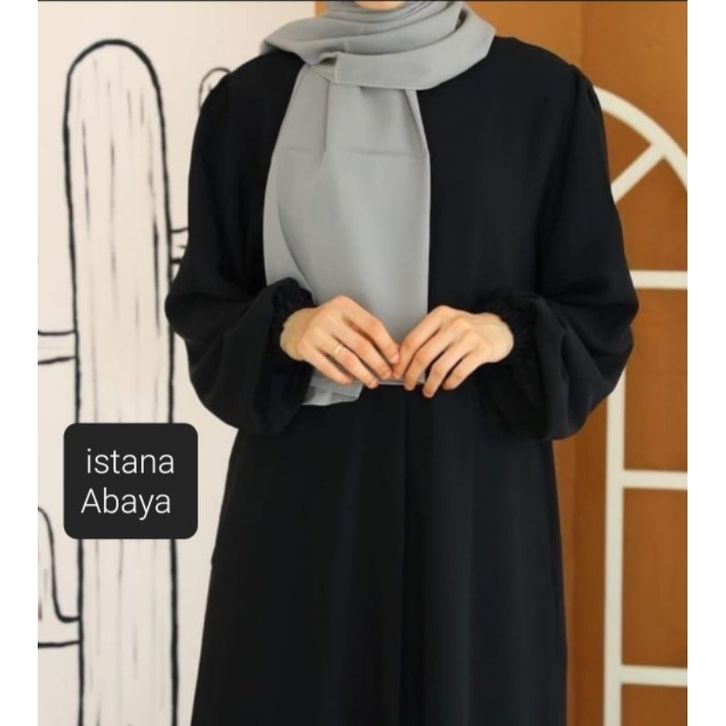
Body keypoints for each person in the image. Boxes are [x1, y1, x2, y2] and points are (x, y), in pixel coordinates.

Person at [164, 1, 639, 724]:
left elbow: (598, 311)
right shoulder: (249, 103)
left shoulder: (543, 97)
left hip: (474, 508)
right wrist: (289, 328)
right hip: (301, 507)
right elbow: (205, 304)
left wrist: (502, 333)